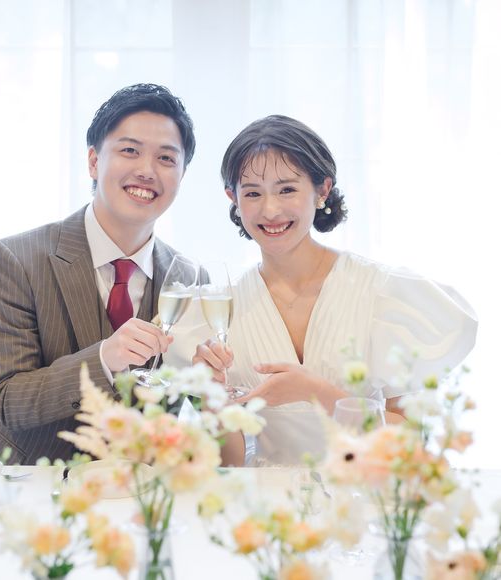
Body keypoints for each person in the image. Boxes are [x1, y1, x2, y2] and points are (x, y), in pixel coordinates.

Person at [168, 115, 477, 466]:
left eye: (287, 189)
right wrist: (213, 398)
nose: (270, 209)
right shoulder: (221, 310)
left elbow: (408, 443)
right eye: (253, 193)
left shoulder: (381, 293)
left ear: (322, 190)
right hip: (266, 497)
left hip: (362, 490)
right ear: (234, 199)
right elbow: (232, 463)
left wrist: (315, 392)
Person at [0, 84, 196, 464]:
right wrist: (104, 358)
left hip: (125, 486)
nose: (146, 170)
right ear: (93, 161)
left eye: (166, 158)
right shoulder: (15, 259)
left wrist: (205, 383)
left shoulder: (189, 280)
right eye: (130, 150)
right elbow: (8, 399)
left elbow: (171, 408)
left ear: (182, 175)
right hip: (17, 476)